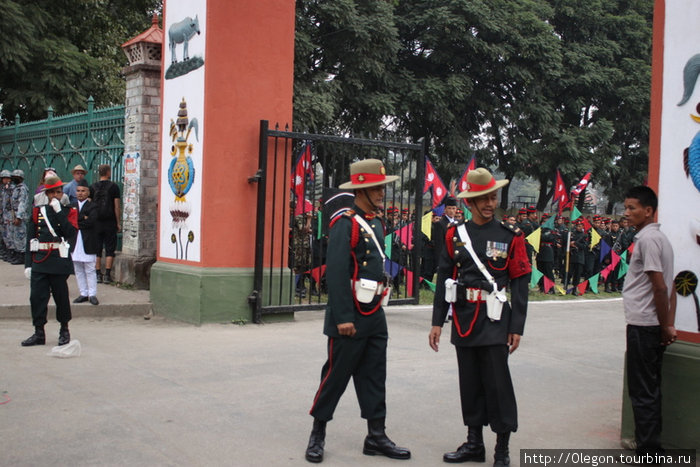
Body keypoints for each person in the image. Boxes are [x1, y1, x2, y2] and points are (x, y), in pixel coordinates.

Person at [305, 159, 410, 463]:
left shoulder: (376, 221)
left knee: (375, 375)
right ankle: (318, 432)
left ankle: (376, 435)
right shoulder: (346, 222)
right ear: (362, 188)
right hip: (350, 314)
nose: (381, 192)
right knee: (336, 376)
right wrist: (344, 318)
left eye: (382, 186)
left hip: (374, 311)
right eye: (376, 187)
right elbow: (336, 273)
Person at [429, 168, 531, 467]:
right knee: (470, 382)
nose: (490, 202)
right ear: (469, 202)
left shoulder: (510, 235)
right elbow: (445, 276)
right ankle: (474, 443)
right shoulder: (454, 234)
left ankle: (502, 448)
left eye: (493, 197)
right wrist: (437, 321)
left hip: (496, 319)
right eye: (483, 198)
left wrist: (517, 326)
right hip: (463, 317)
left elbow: (520, 282)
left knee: (497, 384)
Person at [622, 186, 676, 455]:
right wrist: (667, 323)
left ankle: (648, 450)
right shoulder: (659, 238)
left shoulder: (647, 240)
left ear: (649, 211)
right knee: (650, 387)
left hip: (644, 325)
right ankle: (651, 444)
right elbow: (669, 285)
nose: (627, 213)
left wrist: (666, 325)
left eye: (632, 208)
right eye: (626, 207)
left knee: (642, 389)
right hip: (650, 324)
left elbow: (661, 287)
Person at [21, 175, 78, 347]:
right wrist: (28, 264)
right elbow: (30, 238)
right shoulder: (38, 212)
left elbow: (71, 234)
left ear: (62, 193)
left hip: (58, 261)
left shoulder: (70, 211)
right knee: (37, 298)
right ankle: (39, 332)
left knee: (61, 298)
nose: (55, 195)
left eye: (58, 192)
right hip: (40, 260)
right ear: (47, 193)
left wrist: (60, 212)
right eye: (52, 192)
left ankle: (64, 330)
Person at [91, 164, 121, 284]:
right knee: (110, 248)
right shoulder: (114, 187)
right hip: (110, 221)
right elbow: (116, 206)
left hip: (96, 222)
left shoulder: (92, 187)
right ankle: (107, 275)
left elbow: (89, 206)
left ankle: (98, 274)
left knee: (97, 249)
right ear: (108, 172)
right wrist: (118, 222)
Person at [71, 180, 100, 305]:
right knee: (78, 269)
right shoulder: (71, 206)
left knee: (89, 269)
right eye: (78, 191)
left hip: (88, 240)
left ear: (88, 192)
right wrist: (83, 218)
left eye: (83, 191)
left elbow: (91, 222)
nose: (80, 193)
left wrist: (79, 220)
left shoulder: (93, 206)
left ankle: (92, 294)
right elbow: (70, 222)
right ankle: (83, 293)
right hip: (75, 241)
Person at [9, 170, 30, 265]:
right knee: (16, 236)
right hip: (14, 215)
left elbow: (22, 203)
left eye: (15, 177)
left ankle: (22, 256)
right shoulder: (16, 188)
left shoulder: (22, 189)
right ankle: (17, 254)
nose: (13, 178)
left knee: (21, 236)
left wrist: (19, 217)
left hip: (20, 216)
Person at [1, 169, 14, 262]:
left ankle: (12, 252)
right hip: (3, 214)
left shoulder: (12, 188)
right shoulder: (3, 189)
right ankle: (5, 251)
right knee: (4, 234)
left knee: (10, 234)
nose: (6, 180)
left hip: (10, 214)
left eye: (7, 178)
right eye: (4, 178)